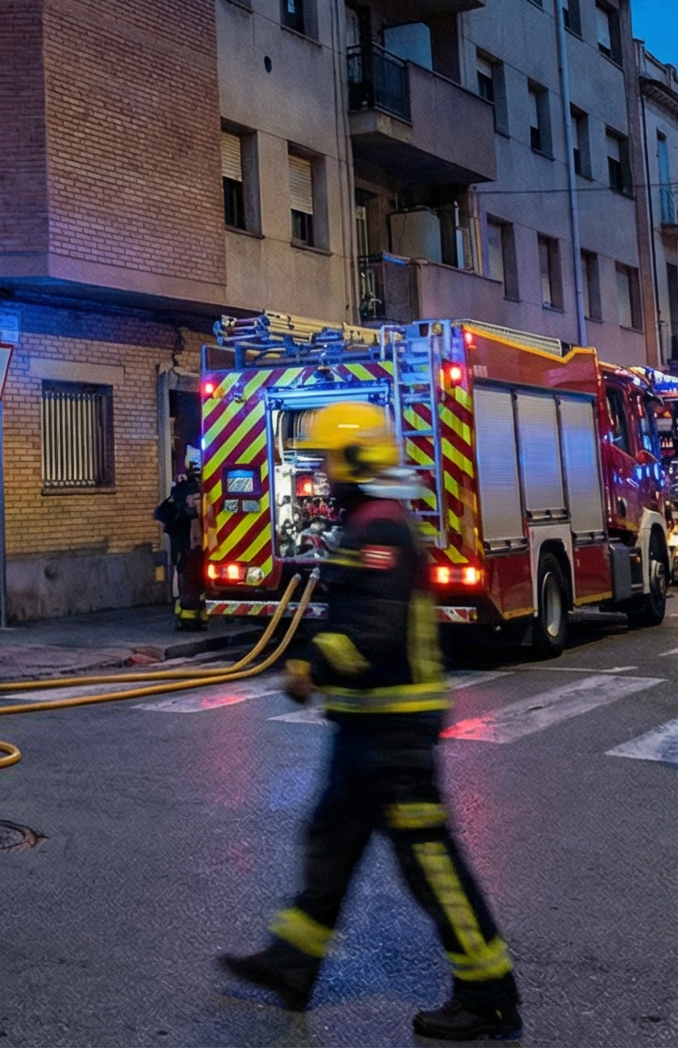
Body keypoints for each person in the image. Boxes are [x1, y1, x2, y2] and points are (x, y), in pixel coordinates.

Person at [221, 402, 521, 1042]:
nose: (322, 474)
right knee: (329, 843)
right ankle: (290, 965)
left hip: (394, 736)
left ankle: (488, 993)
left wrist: (311, 670)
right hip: (364, 729)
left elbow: (373, 634)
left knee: (429, 865)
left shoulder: (380, 528)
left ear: (356, 462)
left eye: (329, 461)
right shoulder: (369, 522)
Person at [156, 458, 204, 631]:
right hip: (189, 548)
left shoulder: (182, 496)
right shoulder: (185, 497)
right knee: (190, 582)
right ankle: (191, 618)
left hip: (189, 549)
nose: (194, 501)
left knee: (189, 582)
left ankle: (189, 619)